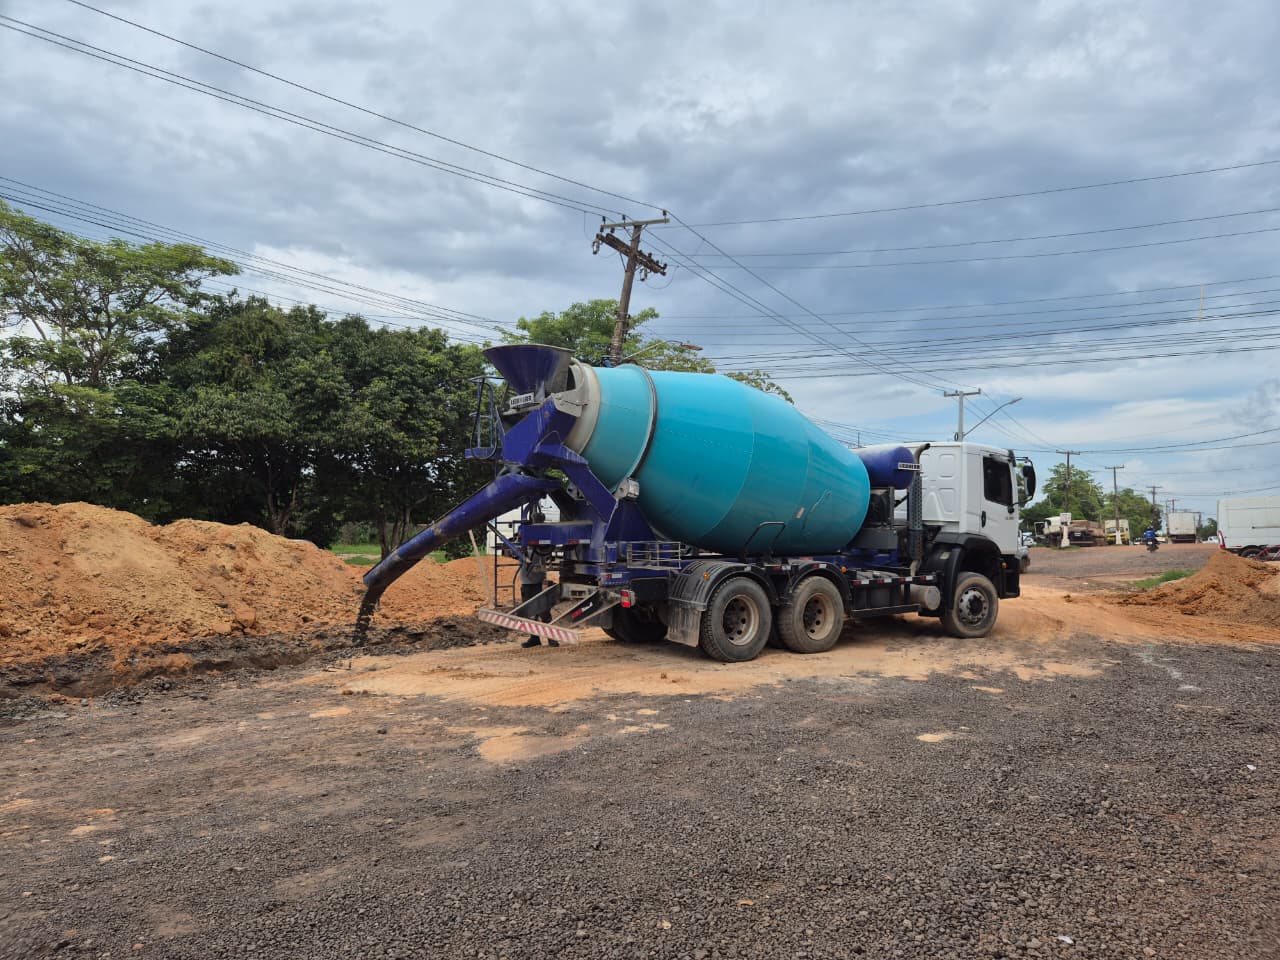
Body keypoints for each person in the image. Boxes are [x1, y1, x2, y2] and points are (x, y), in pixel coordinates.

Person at [518, 549, 557, 648]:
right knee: (529, 614)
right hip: (526, 584)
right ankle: (535, 638)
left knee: (544, 612)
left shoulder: (540, 549)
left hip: (538, 584)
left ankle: (551, 638)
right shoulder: (525, 550)